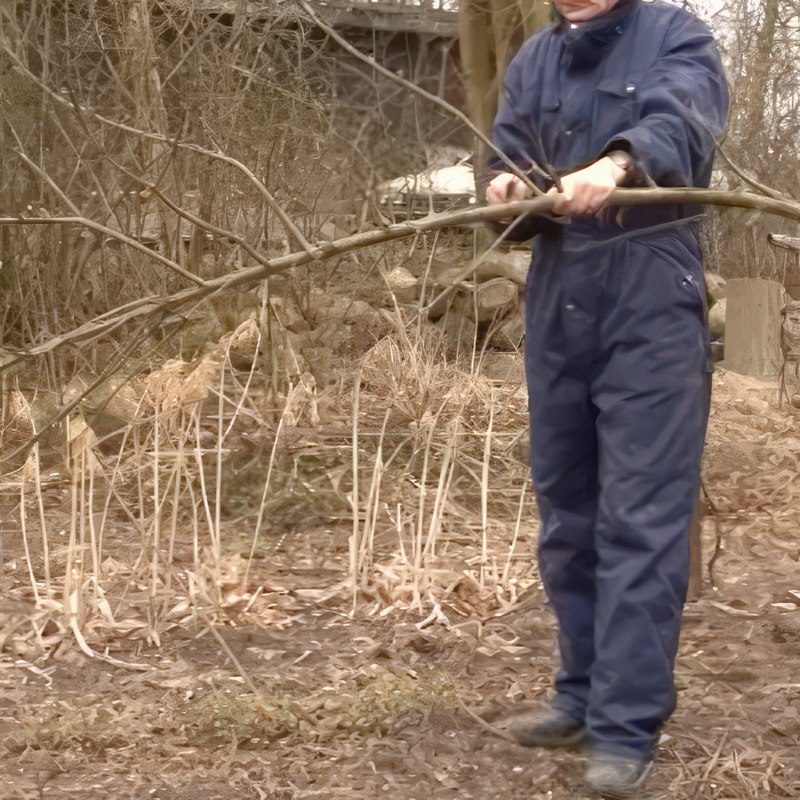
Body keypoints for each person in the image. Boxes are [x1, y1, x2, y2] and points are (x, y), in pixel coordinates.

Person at [485, 0, 728, 796]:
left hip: (650, 285)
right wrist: (505, 183)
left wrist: (616, 165)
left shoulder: (677, 36)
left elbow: (681, 123)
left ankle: (627, 726)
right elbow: (508, 147)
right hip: (559, 294)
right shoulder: (533, 59)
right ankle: (581, 696)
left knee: (641, 515)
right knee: (567, 507)